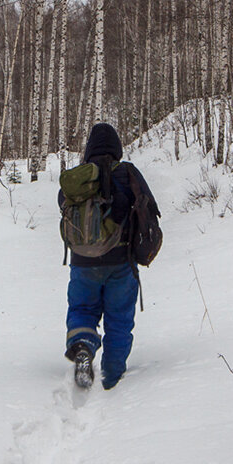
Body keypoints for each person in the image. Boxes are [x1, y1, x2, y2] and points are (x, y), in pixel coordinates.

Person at [59, 123, 158, 390]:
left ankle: (83, 347)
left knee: (82, 309)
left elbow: (63, 206)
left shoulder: (78, 178)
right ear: (117, 148)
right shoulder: (127, 173)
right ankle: (112, 378)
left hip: (82, 262)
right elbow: (149, 210)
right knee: (119, 319)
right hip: (121, 262)